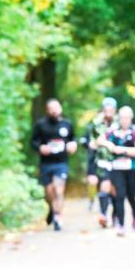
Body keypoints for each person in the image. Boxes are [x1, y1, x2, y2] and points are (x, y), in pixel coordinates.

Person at [97, 105, 135, 236]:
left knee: (131, 197)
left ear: (131, 118)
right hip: (117, 169)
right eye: (122, 118)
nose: (124, 120)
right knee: (119, 196)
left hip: (133, 169)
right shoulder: (113, 131)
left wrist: (123, 150)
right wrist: (109, 145)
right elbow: (99, 140)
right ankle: (121, 225)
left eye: (127, 118)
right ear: (119, 118)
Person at [30, 98, 77, 231]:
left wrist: (73, 144)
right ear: (47, 110)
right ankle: (52, 208)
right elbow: (33, 142)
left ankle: (58, 217)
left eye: (56, 108)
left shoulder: (67, 124)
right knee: (49, 192)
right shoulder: (41, 125)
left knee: (59, 189)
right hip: (46, 164)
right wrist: (40, 147)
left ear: (61, 108)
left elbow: (73, 138)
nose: (54, 111)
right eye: (51, 109)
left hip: (61, 163)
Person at [84, 97, 118, 228]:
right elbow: (89, 139)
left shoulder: (120, 121)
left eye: (111, 109)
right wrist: (91, 144)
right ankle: (103, 215)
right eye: (106, 108)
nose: (109, 111)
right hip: (100, 160)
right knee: (104, 185)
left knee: (115, 190)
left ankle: (115, 214)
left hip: (118, 160)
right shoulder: (96, 123)